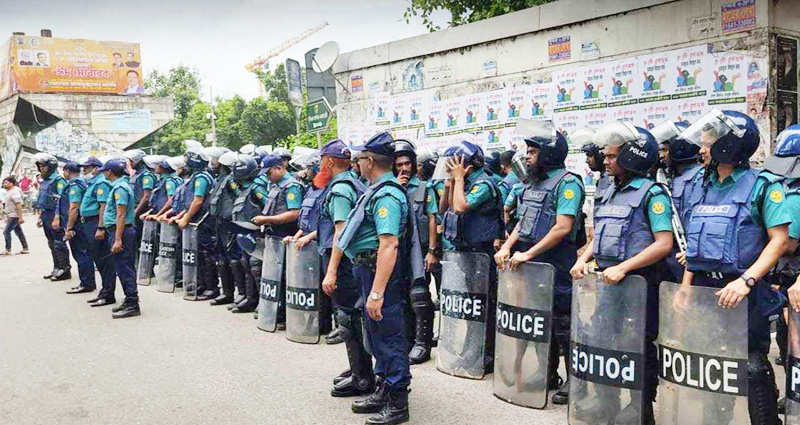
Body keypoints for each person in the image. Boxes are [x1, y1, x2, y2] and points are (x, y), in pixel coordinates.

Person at [679, 109, 789, 424]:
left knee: (752, 367)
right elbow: (695, 244)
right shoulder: (699, 185)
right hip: (705, 290)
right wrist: (686, 287)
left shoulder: (763, 184)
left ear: (728, 146)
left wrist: (746, 282)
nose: (701, 149)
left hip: (743, 293)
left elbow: (778, 240)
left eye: (708, 143)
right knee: (710, 366)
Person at [570, 122, 673, 423]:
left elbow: (664, 243)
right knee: (605, 342)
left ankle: (640, 408)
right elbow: (599, 231)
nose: (605, 161)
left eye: (612, 156)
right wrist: (584, 258)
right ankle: (607, 401)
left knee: (638, 347)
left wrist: (624, 267)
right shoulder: (608, 188)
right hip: (608, 281)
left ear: (633, 157)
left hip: (639, 284)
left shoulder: (652, 194)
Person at [332, 132, 421, 425]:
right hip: (367, 271)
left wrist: (377, 292)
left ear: (370, 161)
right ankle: (384, 390)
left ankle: (398, 405)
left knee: (389, 338)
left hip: (381, 275)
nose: (356, 163)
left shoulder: (387, 195)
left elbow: (389, 244)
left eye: (359, 158)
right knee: (376, 336)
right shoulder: (374, 189)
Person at [495, 121, 585, 405]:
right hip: (531, 263)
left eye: (532, 151)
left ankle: (574, 379)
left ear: (548, 154)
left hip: (556, 263)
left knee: (562, 321)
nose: (527, 156)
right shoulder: (533, 182)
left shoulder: (568, 182)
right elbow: (524, 221)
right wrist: (509, 247)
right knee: (535, 320)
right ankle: (546, 373)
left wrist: (528, 253)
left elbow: (562, 227)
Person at [313, 140, 374, 394]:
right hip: (354, 262)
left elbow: (341, 234)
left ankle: (362, 378)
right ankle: (360, 369)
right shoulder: (354, 181)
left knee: (348, 318)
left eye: (320, 161)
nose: (318, 165)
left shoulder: (340, 189)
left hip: (344, 263)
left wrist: (332, 271)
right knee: (354, 318)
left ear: (328, 162)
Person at [439, 140, 504, 372]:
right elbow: (443, 208)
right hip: (466, 253)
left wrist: (458, 180)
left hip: (481, 254)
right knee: (473, 306)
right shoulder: (463, 182)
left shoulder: (484, 183)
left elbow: (460, 207)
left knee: (483, 306)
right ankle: (472, 352)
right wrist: (450, 184)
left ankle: (484, 355)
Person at [763, 124, 800, 413]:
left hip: (795, 280)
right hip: (787, 281)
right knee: (787, 344)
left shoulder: (796, 197)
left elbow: (787, 244)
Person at [392, 139, 435, 365]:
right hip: (397, 249)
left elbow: (432, 218)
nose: (404, 168)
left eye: (407, 164)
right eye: (399, 164)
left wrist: (433, 251)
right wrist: (398, 187)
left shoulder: (424, 187)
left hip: (420, 249)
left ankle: (423, 343)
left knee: (419, 295)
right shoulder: (390, 187)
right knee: (401, 296)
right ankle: (407, 340)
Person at [251, 154, 305, 326]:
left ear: (280, 168)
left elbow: (294, 213)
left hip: (287, 235)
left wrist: (267, 220)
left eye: (269, 173)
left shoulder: (292, 186)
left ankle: (286, 314)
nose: (267, 176)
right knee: (276, 275)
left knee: (286, 276)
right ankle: (277, 312)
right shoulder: (275, 185)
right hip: (274, 236)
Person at [100, 158, 141, 319]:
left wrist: (117, 239)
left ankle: (132, 303)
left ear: (109, 172)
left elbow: (121, 214)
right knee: (121, 267)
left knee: (125, 268)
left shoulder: (120, 188)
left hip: (122, 232)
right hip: (119, 231)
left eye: (105, 171)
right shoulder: (118, 186)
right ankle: (128, 299)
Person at [230, 154, 270, 313]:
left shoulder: (256, 187)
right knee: (245, 263)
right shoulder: (244, 188)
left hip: (258, 233)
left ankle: (264, 301)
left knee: (256, 266)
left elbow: (268, 206)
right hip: (244, 233)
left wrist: (265, 222)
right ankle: (250, 298)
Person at [175, 150, 217, 301]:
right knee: (197, 253)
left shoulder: (201, 178)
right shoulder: (196, 177)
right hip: (197, 219)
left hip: (203, 220)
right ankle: (201, 284)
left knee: (205, 253)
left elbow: (198, 200)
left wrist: (186, 218)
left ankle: (211, 287)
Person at [207, 149, 244, 306]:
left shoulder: (230, 180)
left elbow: (239, 196)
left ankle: (241, 294)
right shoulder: (219, 179)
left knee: (233, 258)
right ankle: (227, 293)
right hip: (219, 222)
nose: (213, 163)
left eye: (217, 161)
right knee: (221, 258)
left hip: (229, 223)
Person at [79, 157, 116, 307]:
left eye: (87, 168)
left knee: (104, 260)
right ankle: (104, 291)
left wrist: (100, 227)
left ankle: (108, 293)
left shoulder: (101, 183)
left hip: (96, 222)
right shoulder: (93, 182)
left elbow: (103, 206)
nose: (84, 171)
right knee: (98, 259)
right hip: (90, 222)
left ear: (95, 168)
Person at [57, 162, 95, 295]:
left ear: (67, 171)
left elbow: (74, 207)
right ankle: (87, 281)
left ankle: (86, 283)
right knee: (83, 253)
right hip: (81, 223)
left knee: (81, 254)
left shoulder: (74, 185)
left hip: (77, 225)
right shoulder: (81, 182)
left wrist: (69, 228)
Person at [33, 153, 72, 281]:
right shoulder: (45, 181)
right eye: (39, 166)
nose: (41, 169)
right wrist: (40, 216)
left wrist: (57, 217)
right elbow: (44, 200)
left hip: (55, 214)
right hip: (46, 214)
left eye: (43, 166)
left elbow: (61, 200)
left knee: (59, 242)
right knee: (51, 243)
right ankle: (56, 267)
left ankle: (64, 268)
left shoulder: (58, 180)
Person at [125, 149, 155, 261]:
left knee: (143, 239)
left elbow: (146, 196)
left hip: (141, 210)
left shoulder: (146, 175)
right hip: (134, 209)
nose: (130, 164)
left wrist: (135, 212)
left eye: (132, 161)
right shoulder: (135, 175)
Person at [2, 176, 28, 255]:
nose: (4, 184)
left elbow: (18, 205)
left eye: (6, 182)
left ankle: (8, 249)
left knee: (6, 231)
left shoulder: (14, 192)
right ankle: (25, 248)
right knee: (19, 232)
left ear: (11, 183)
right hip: (11, 214)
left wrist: (20, 217)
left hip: (14, 215)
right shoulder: (9, 192)